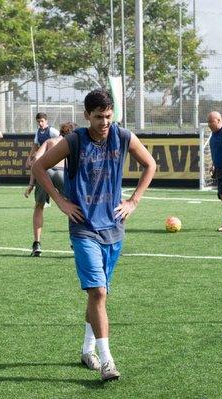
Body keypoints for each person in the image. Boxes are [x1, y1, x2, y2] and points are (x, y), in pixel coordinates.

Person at [31, 89, 156, 381]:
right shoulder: (74, 140)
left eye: (109, 117)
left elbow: (150, 164)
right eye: (99, 117)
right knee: (98, 292)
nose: (104, 123)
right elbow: (39, 166)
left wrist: (134, 200)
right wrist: (60, 201)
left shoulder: (123, 136)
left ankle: (88, 350)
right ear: (86, 115)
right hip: (84, 228)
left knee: (99, 296)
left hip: (114, 229)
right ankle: (108, 361)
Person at [27, 121, 76, 257]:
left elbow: (36, 158)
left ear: (60, 132)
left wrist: (31, 183)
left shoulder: (49, 141)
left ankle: (37, 243)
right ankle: (74, 241)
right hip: (62, 172)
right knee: (72, 206)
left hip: (45, 172)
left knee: (39, 206)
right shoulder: (71, 143)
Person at [24, 112, 60, 197]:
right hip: (44, 157)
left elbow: (61, 138)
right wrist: (29, 158)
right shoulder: (38, 132)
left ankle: (32, 185)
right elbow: (35, 146)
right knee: (35, 165)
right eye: (38, 122)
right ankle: (31, 185)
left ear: (46, 121)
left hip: (53, 158)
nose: (40, 123)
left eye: (42, 121)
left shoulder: (51, 130)